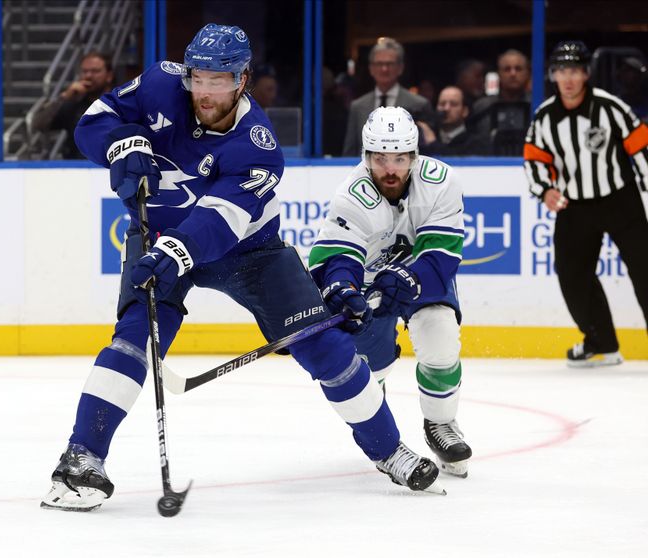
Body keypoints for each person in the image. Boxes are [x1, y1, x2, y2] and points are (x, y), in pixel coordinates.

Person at [41, 23, 444, 512]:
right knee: (134, 339)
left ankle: (388, 449)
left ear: (242, 79)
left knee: (325, 344)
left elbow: (220, 223)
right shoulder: (159, 84)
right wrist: (122, 144)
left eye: (219, 80)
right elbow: (93, 120)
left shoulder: (258, 147)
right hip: (155, 235)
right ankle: (81, 458)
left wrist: (175, 252)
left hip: (249, 250)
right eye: (198, 78)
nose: (204, 92)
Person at [311, 106, 473, 478]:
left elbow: (441, 254)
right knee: (371, 368)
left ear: (414, 157)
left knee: (440, 333)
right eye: (380, 158)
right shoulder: (351, 195)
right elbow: (338, 255)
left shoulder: (440, 182)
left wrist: (408, 276)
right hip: (370, 286)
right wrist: (344, 288)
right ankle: (378, 431)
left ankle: (441, 423)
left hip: (423, 278)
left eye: (400, 158)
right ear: (366, 157)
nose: (390, 168)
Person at [523, 40, 648, 367]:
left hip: (621, 200)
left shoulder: (610, 107)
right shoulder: (545, 116)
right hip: (574, 206)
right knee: (571, 274)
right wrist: (544, 189)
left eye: (575, 70)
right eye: (562, 70)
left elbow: (641, 148)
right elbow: (534, 158)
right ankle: (601, 342)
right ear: (553, 75)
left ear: (586, 73)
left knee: (645, 270)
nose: (568, 78)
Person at [342, 37, 434, 156]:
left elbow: (427, 152)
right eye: (379, 63)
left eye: (389, 64)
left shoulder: (419, 104)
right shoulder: (358, 106)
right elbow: (350, 153)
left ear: (400, 68)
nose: (384, 69)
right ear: (371, 68)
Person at [31, 51, 115, 159]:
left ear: (109, 76)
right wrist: (64, 97)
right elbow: (38, 124)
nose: (88, 76)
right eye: (84, 71)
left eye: (95, 71)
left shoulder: (121, 103)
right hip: (78, 168)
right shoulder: (73, 105)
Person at [472, 49, 531, 137]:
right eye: (507, 69)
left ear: (527, 73)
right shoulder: (482, 107)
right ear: (499, 73)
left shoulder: (539, 106)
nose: (513, 74)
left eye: (518, 69)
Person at [418, 86, 489, 156]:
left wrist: (433, 143)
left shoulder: (476, 142)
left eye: (453, 104)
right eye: (442, 104)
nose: (446, 108)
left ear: (465, 111)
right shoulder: (425, 137)